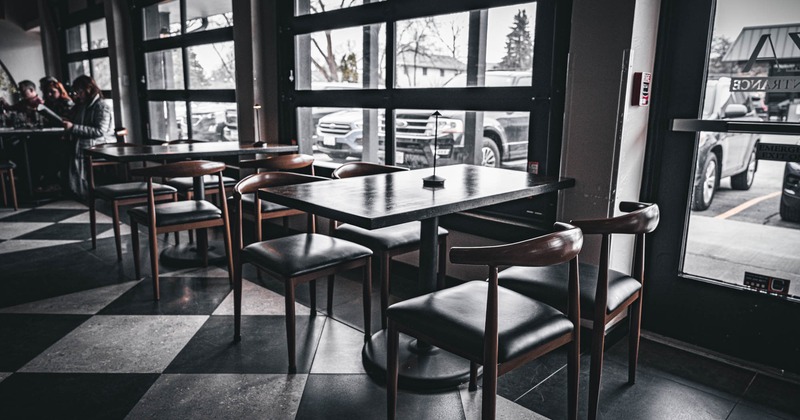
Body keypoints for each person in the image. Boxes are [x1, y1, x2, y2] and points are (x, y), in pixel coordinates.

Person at [63, 75, 113, 200]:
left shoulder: (101, 106)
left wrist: (73, 127)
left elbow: (100, 131)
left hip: (99, 143)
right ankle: (75, 188)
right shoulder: (82, 105)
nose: (77, 95)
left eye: (79, 92)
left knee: (75, 150)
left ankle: (81, 190)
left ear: (88, 89)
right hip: (86, 140)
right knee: (63, 149)